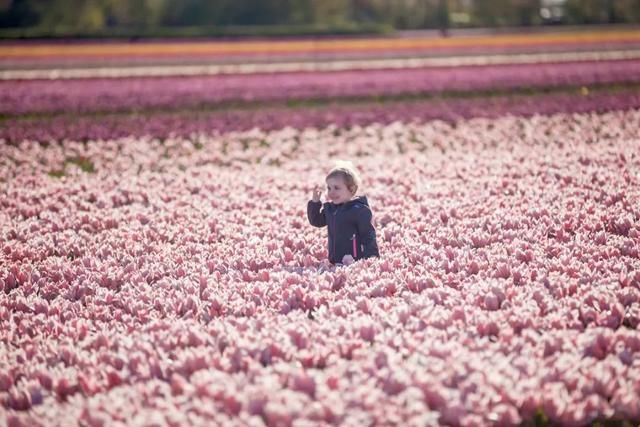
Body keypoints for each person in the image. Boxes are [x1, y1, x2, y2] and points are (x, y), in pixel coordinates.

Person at [307, 161, 379, 265]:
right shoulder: (330, 209)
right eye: (329, 188)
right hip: (335, 260)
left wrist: (372, 259)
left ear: (352, 189)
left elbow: (368, 236)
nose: (331, 192)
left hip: (354, 261)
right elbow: (316, 221)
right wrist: (315, 203)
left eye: (337, 188)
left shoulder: (359, 210)